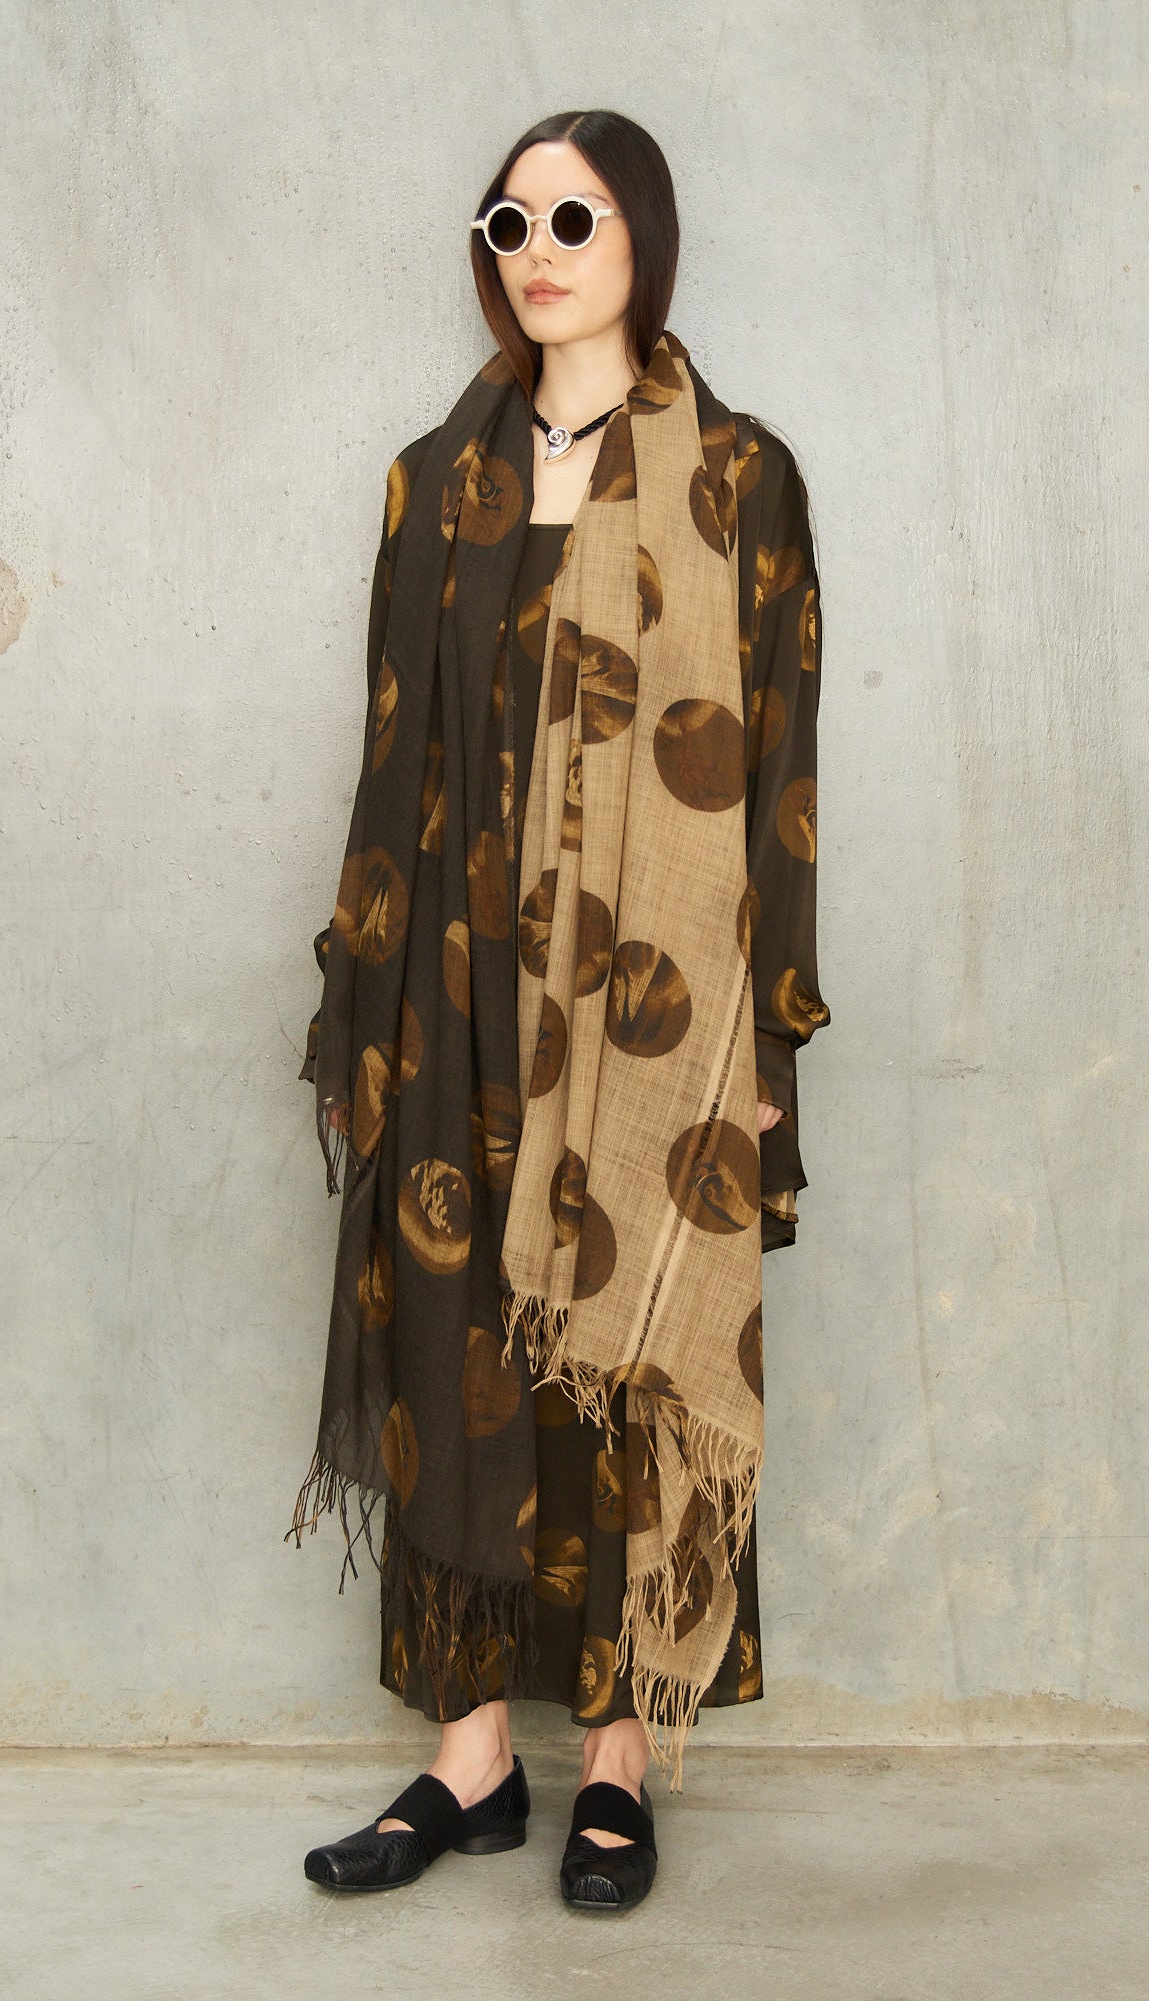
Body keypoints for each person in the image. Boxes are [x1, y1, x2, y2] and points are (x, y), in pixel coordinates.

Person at [288, 107, 829, 1910]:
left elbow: (778, 775)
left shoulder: (738, 477)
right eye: (507, 220)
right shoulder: (430, 480)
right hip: (449, 982)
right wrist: (362, 995)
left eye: (572, 217)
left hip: (645, 1001)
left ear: (641, 236)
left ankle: (613, 1760)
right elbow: (390, 750)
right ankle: (470, 1760)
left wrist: (765, 1036)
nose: (535, 250)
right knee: (453, 1342)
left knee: (618, 1353)